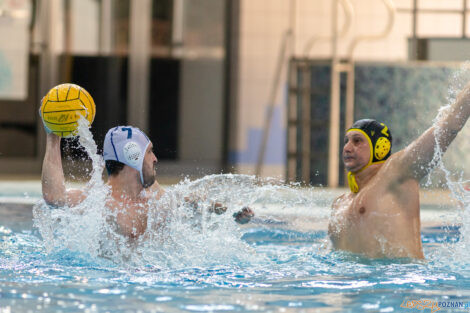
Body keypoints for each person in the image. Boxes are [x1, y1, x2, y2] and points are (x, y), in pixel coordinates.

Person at [328, 83, 470, 259]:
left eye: (357, 141)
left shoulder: (397, 172)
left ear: (380, 148)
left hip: (402, 281)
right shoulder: (339, 204)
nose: (347, 148)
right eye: (346, 141)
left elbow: (448, 127)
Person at [41, 125, 254, 240]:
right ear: (131, 155)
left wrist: (230, 212)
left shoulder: (157, 198)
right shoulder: (97, 202)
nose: (155, 159)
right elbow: (54, 196)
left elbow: (190, 201)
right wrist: (53, 138)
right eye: (149, 151)